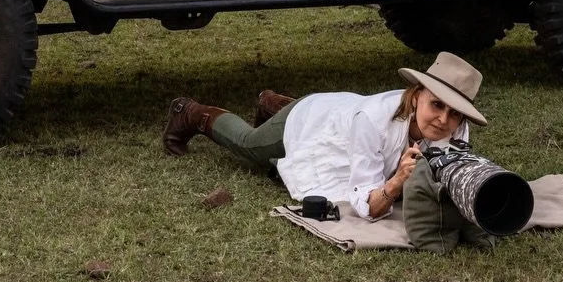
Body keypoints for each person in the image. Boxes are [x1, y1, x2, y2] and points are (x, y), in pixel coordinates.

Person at [162, 52, 487, 220]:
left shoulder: (455, 128)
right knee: (252, 149)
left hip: (340, 114)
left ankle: (270, 102)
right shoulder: (373, 122)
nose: (445, 120)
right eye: (437, 104)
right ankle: (189, 112)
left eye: (455, 112)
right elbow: (368, 203)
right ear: (416, 95)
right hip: (313, 120)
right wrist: (396, 181)